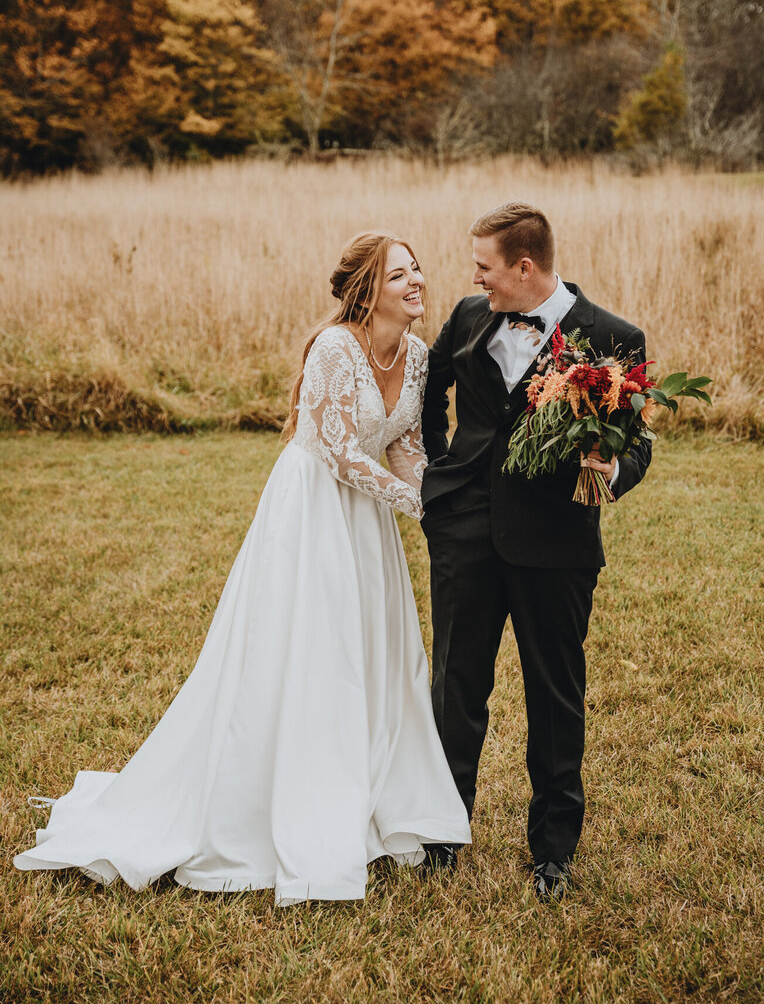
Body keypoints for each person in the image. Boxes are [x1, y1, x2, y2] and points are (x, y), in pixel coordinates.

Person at [15, 232, 470, 905]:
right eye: (400, 274)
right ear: (369, 292)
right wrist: (415, 504)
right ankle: (280, 803)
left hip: (367, 522)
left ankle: (375, 797)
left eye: (418, 269)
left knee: (371, 651)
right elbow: (340, 451)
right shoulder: (334, 349)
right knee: (312, 650)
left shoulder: (421, 354)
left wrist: (437, 498)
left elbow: (404, 442)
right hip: (315, 510)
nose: (418, 281)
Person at [419, 203, 650, 898]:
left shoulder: (612, 338)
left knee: (556, 695)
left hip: (556, 541)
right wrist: (439, 475)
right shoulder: (467, 317)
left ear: (524, 267)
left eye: (485, 268)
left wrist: (614, 472)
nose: (475, 279)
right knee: (456, 688)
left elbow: (634, 439)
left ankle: (552, 849)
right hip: (464, 532)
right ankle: (440, 831)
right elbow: (433, 394)